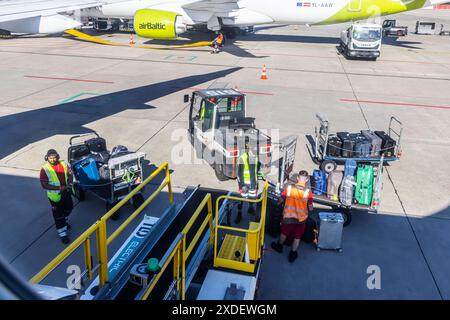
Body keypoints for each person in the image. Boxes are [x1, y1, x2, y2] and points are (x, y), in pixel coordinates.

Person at [271, 170, 313, 263]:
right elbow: (310, 208)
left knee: (284, 233)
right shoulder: (308, 192)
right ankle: (292, 254)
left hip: (288, 217)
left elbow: (281, 200)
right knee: (297, 237)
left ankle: (279, 247)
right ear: (306, 180)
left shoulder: (289, 188)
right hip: (301, 219)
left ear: (297, 178)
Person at [40, 149, 74, 244]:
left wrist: (70, 182)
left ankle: (65, 220)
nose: (53, 159)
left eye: (54, 157)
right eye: (50, 158)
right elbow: (44, 185)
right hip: (54, 197)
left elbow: (70, 174)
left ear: (58, 157)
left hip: (66, 192)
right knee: (58, 216)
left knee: (69, 208)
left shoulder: (63, 164)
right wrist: (59, 188)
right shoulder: (45, 169)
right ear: (47, 158)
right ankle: (62, 234)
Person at [235, 139, 263, 224]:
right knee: (241, 199)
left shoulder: (255, 157)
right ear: (248, 148)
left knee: (252, 197)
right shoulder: (242, 158)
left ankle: (250, 208)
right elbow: (239, 173)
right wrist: (241, 185)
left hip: (253, 183)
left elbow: (256, 169)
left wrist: (258, 178)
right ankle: (239, 214)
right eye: (252, 148)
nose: (254, 150)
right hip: (244, 184)